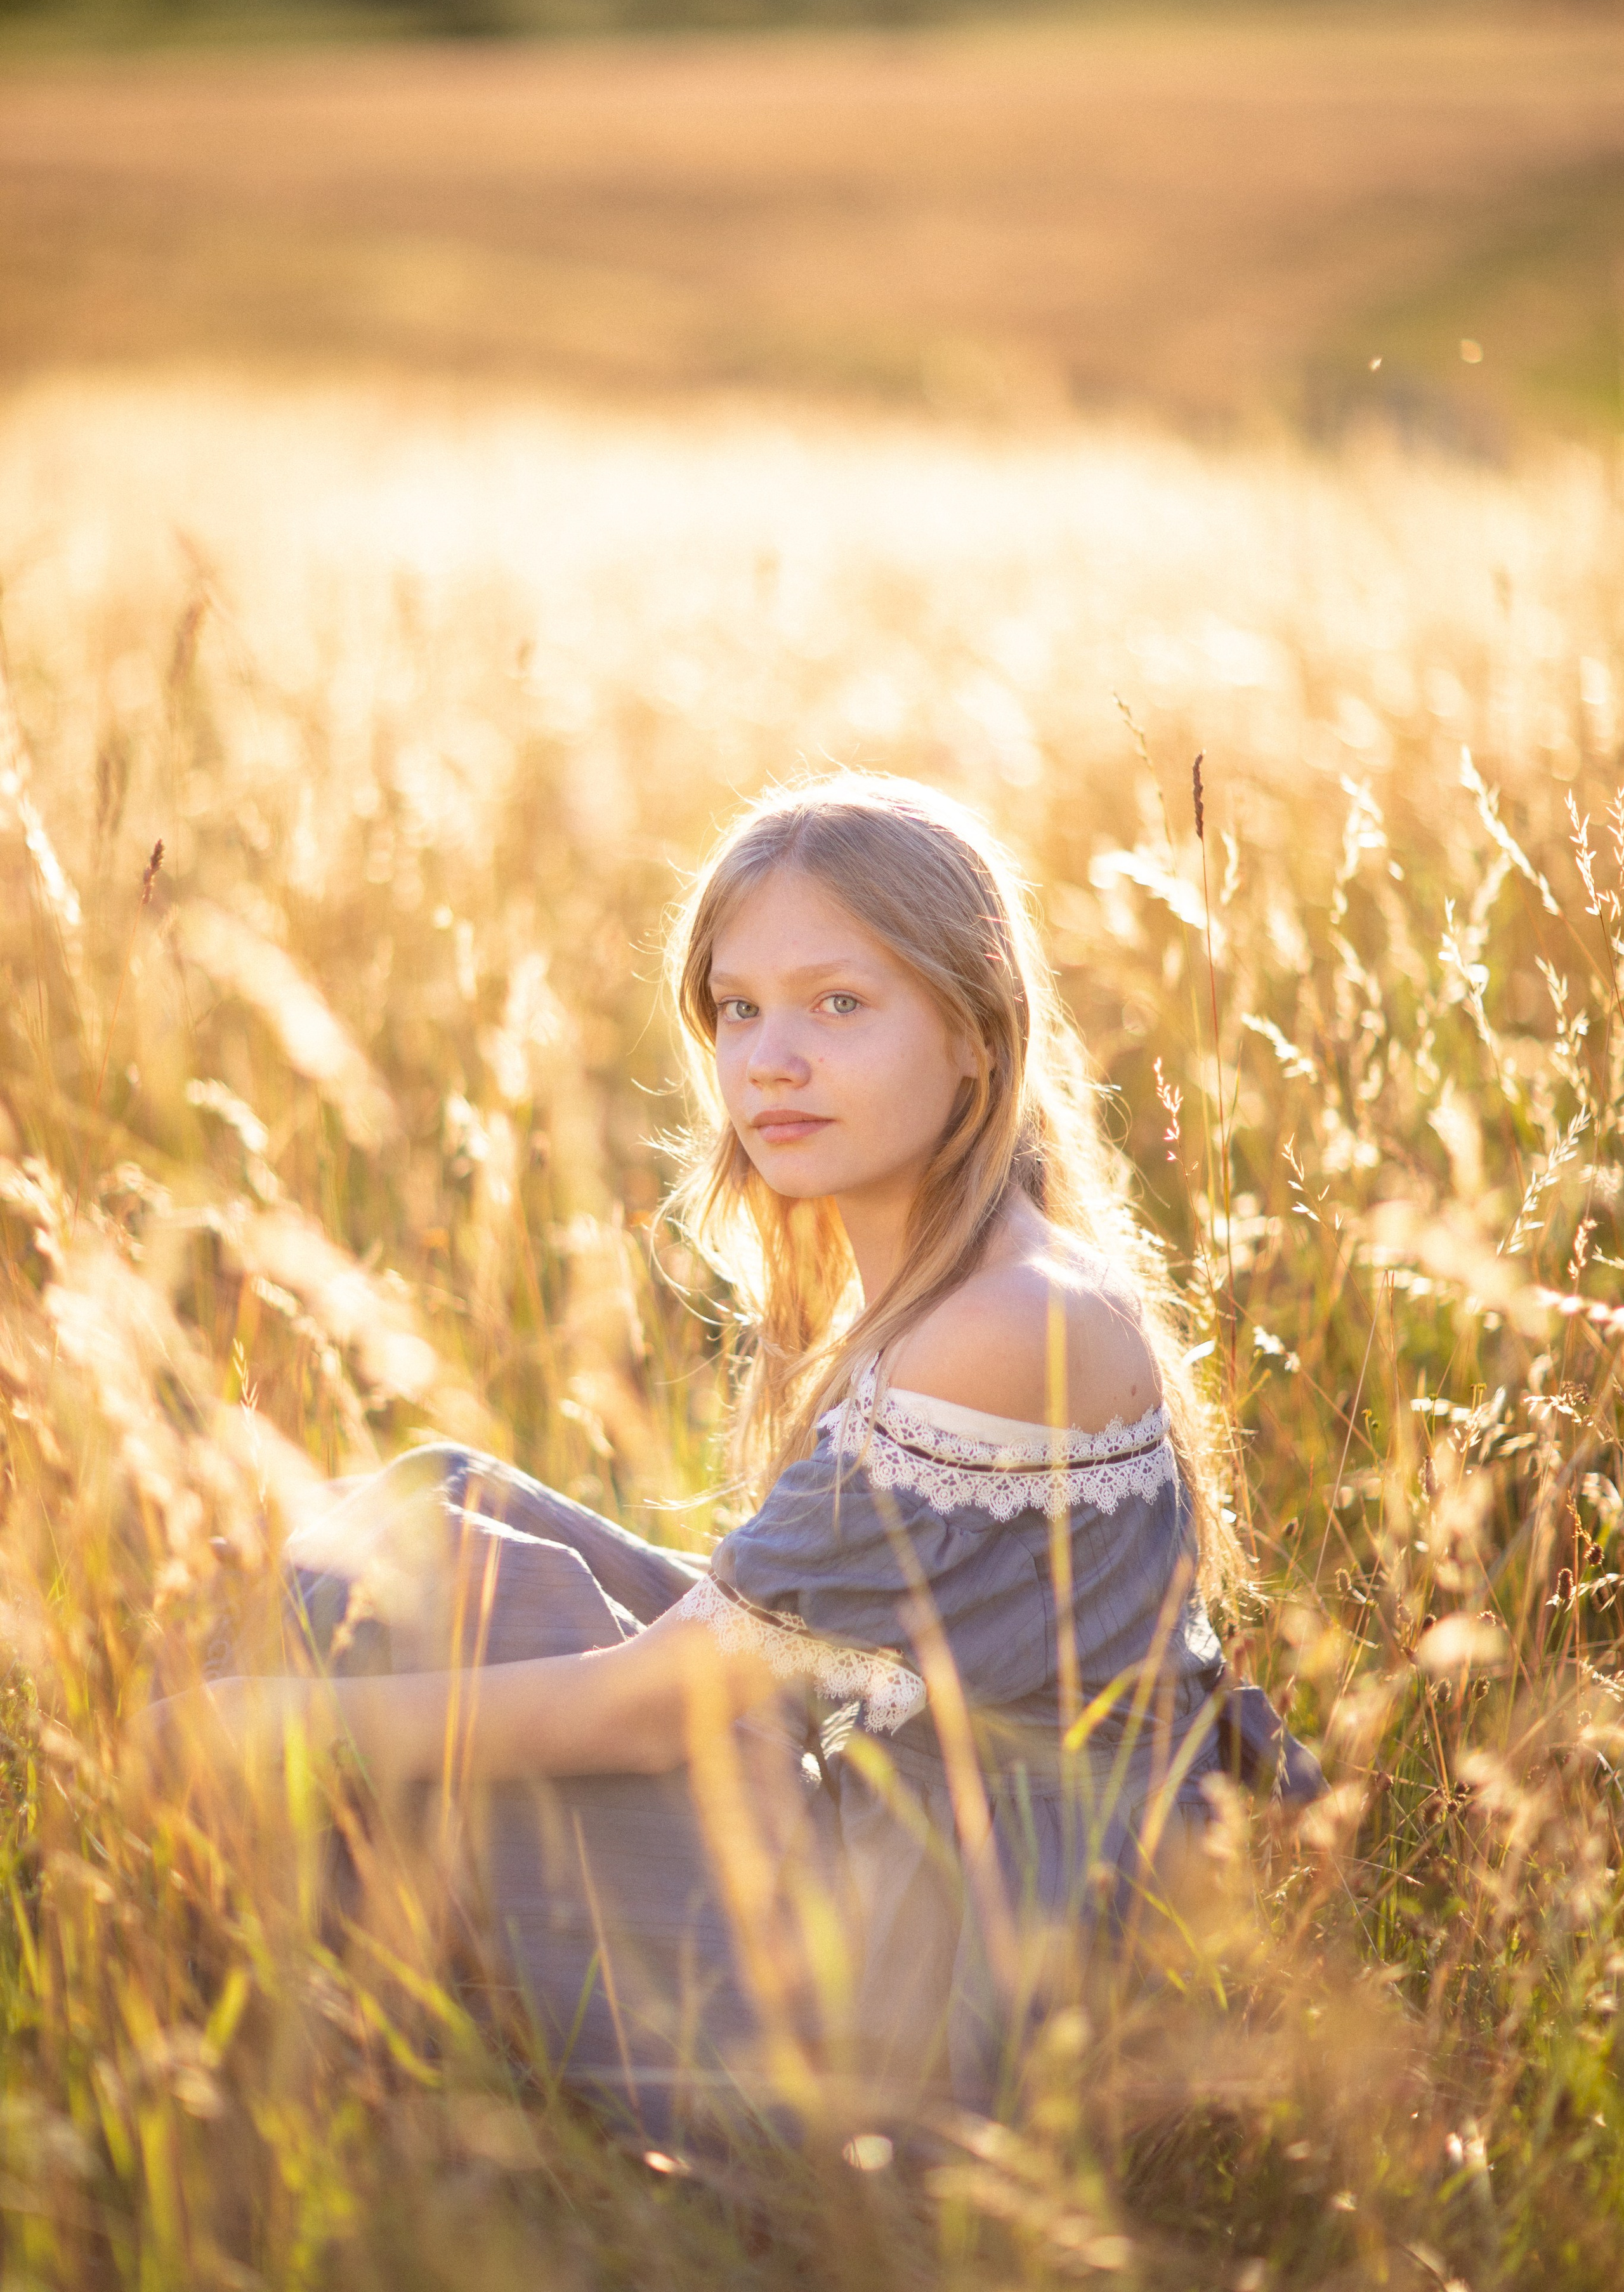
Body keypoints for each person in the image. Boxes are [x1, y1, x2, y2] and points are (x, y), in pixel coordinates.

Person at [155, 773, 1311, 2132]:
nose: (768, 1058)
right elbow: (778, 1655)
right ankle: (250, 1980)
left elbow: (648, 1704)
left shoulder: (1004, 1323)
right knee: (438, 1507)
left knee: (385, 1643)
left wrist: (259, 1733)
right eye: (736, 1007)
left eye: (837, 1004)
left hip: (951, 1979)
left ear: (974, 1037)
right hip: (911, 1826)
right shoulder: (954, 1278)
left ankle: (255, 2044)